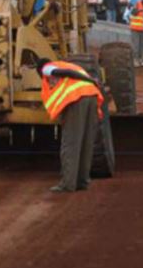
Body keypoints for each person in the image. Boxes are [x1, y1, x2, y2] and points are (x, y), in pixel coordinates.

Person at [36, 58, 104, 193]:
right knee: (86, 141)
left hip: (77, 99)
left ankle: (68, 184)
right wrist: (90, 81)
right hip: (91, 97)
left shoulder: (47, 68)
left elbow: (65, 73)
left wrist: (90, 80)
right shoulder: (72, 65)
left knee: (71, 142)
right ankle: (82, 181)